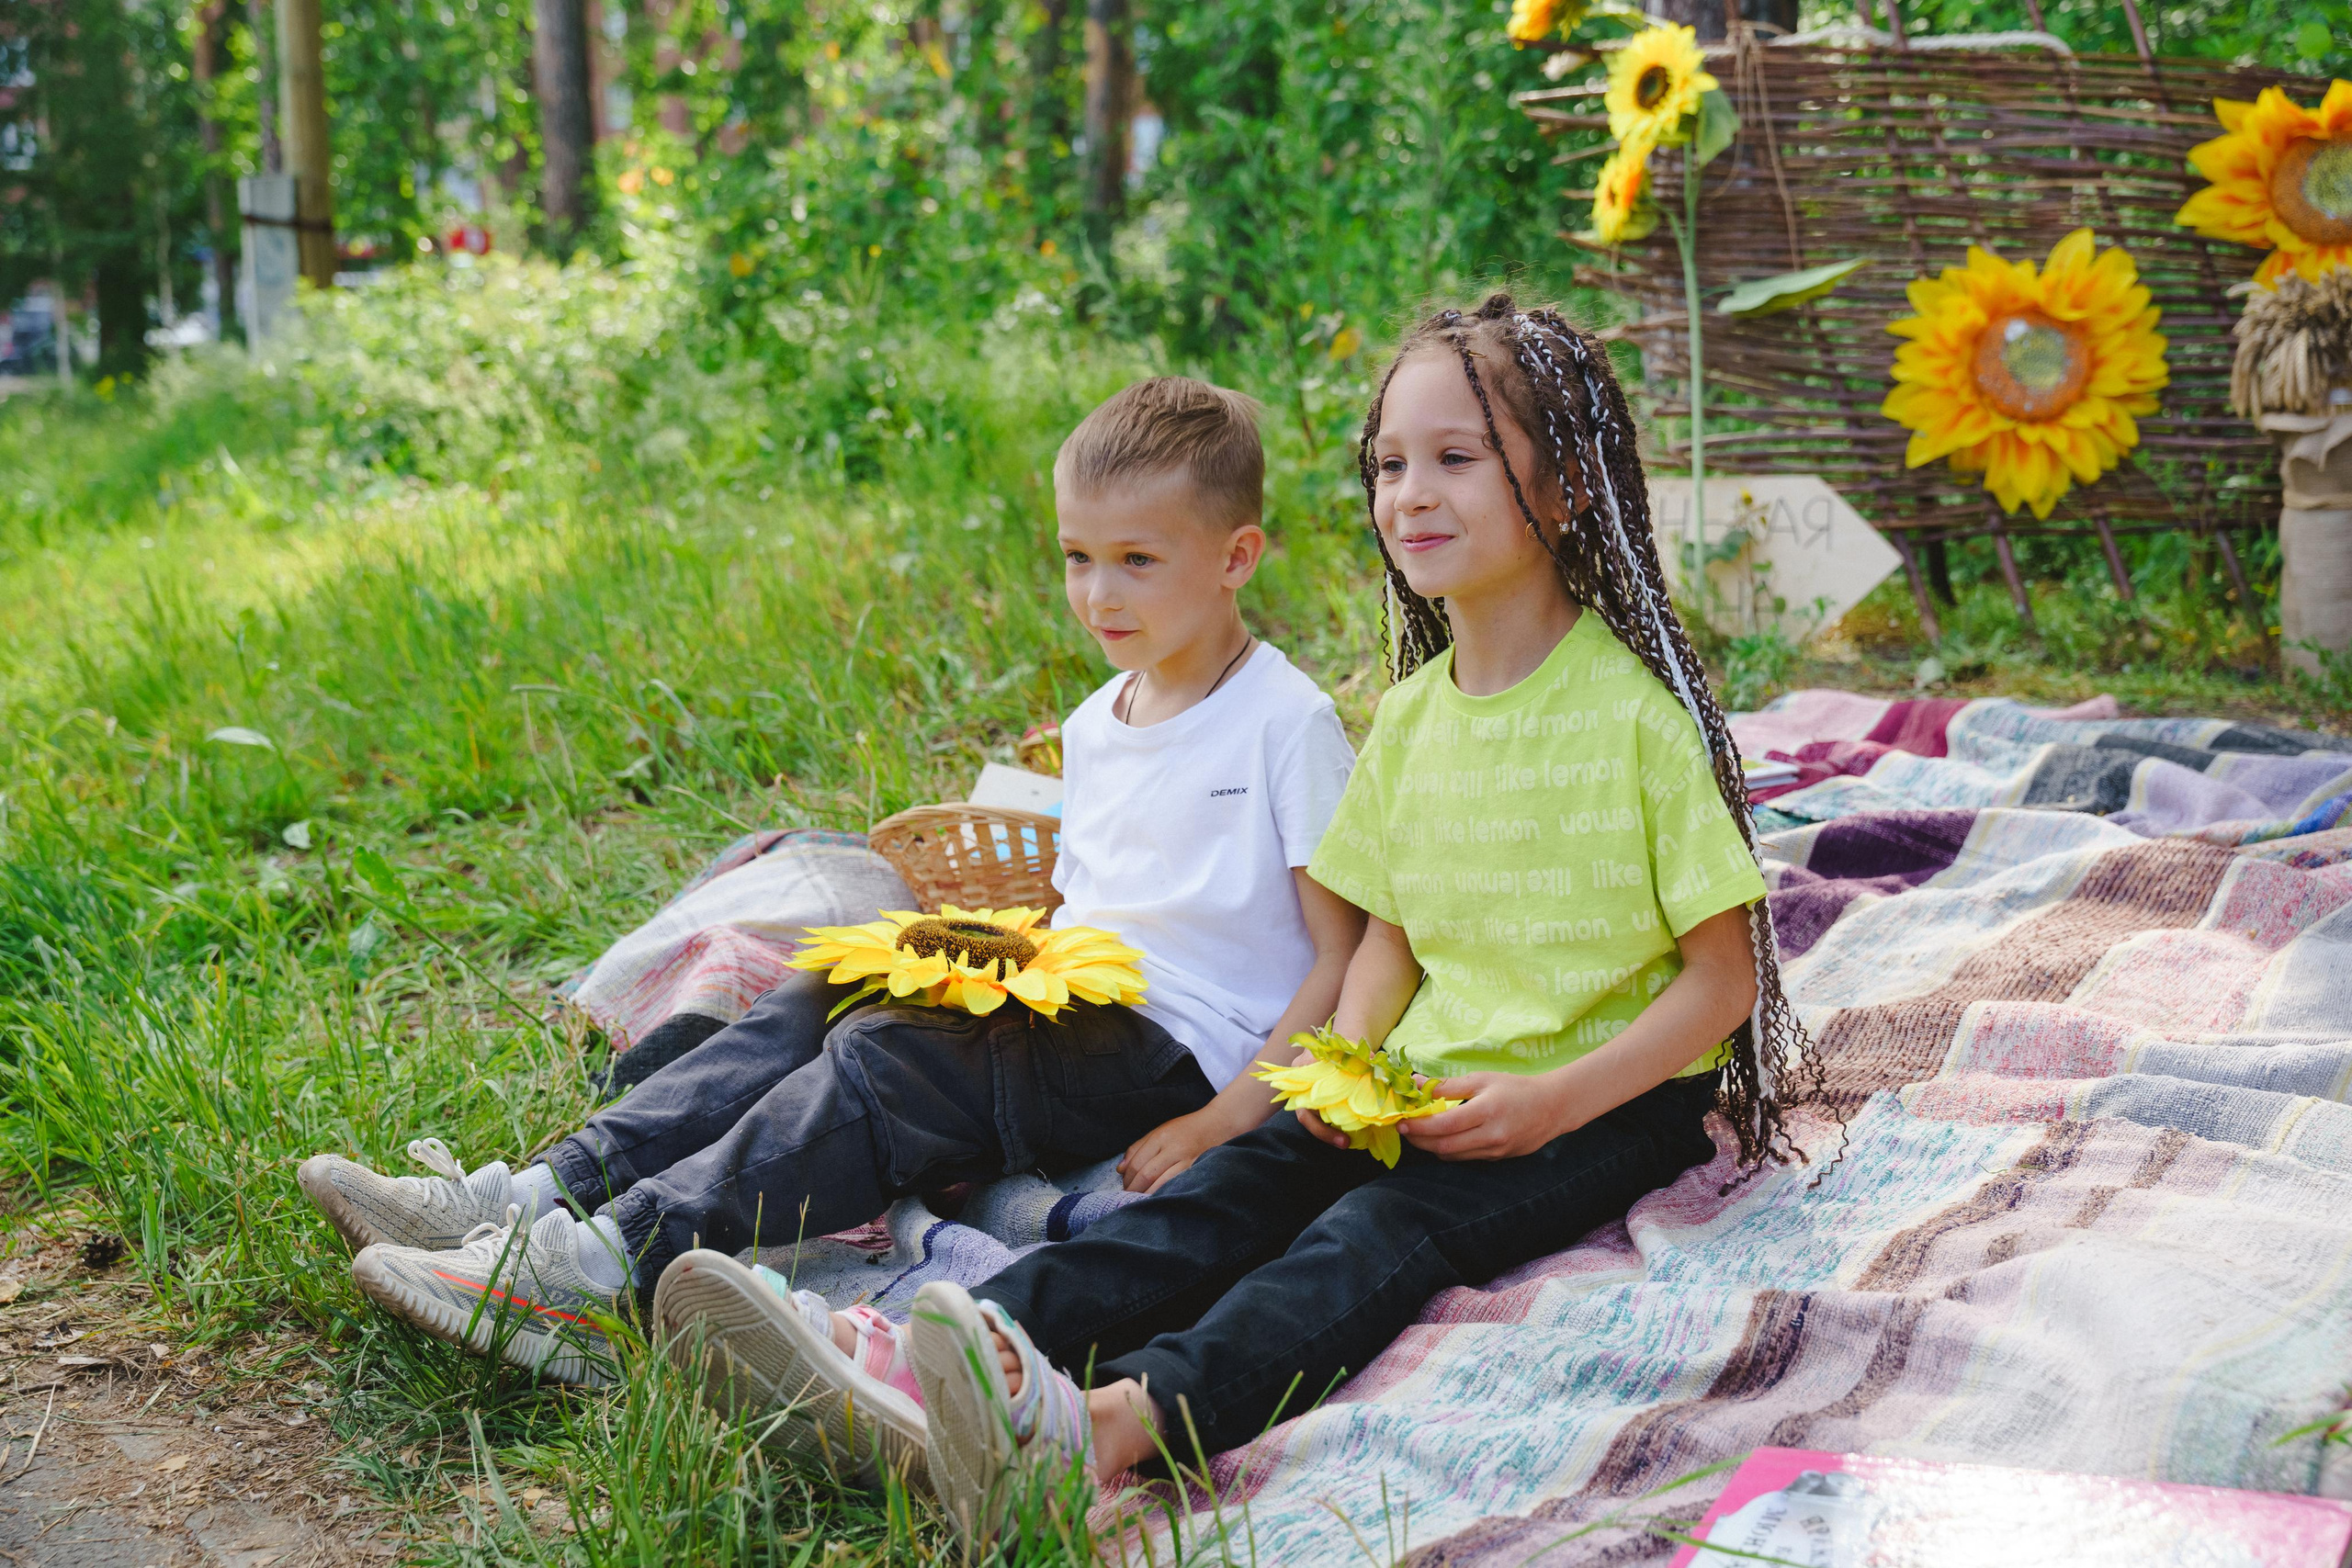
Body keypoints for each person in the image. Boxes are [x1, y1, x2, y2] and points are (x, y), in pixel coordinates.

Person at [861, 295, 1826, 1539]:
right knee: (1238, 1185)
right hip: (1416, 1078)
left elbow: (1725, 977)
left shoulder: (1634, 718)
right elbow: (1389, 938)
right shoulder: (1414, 716)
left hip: (1604, 1102)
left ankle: (1110, 1427)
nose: (1410, 491)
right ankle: (947, 1355)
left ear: (1570, 488)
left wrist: (1554, 1099)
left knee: (1373, 1231)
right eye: (1389, 463)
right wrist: (1338, 1061)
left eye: (1456, 457)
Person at [299, 377, 1365, 1480]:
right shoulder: (1100, 720)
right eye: (1075, 556)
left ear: (1237, 557)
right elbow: (1093, 905)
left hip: (1175, 1047)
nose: (1098, 593)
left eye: (1138, 560)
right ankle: (531, 1194)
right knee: (828, 988)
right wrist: (961, 958)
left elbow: (1342, 954)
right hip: (1072, 994)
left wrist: (1227, 1118)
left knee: (895, 1061)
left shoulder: (1285, 725)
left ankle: (604, 1269)